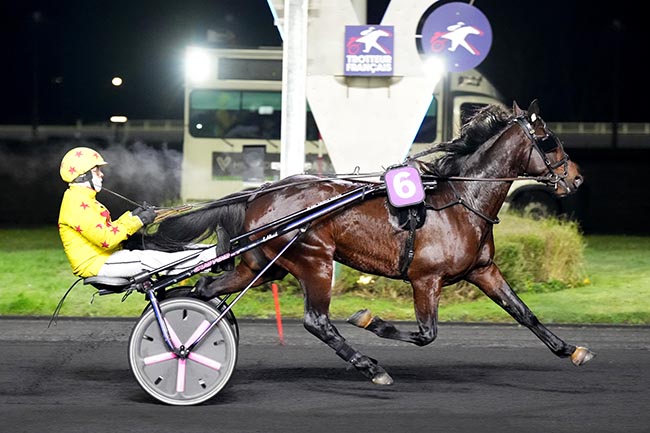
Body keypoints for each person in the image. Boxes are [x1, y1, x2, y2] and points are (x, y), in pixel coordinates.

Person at [58, 146, 217, 279]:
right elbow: (107, 239)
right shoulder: (77, 203)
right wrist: (138, 221)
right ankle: (209, 259)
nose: (101, 174)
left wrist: (134, 216)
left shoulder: (82, 199)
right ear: (83, 175)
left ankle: (210, 251)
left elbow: (108, 229)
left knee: (158, 248)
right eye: (97, 170)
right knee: (148, 260)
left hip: (105, 258)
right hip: (96, 264)